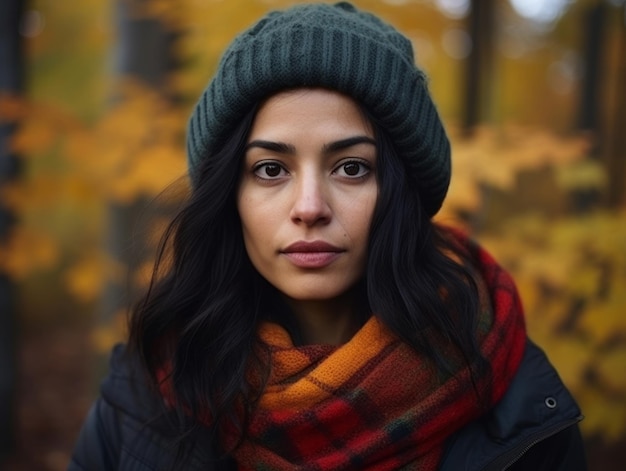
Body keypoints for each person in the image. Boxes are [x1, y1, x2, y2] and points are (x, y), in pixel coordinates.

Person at [69, 2, 586, 470]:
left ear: (399, 191)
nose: (310, 208)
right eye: (271, 169)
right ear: (230, 195)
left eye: (352, 168)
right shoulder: (148, 394)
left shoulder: (512, 396)